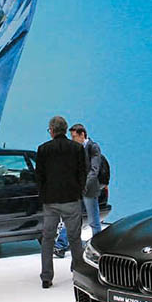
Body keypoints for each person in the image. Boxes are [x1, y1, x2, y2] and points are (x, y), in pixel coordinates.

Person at [35, 115, 86, 288]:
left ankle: (46, 277)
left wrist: (44, 196)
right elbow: (82, 173)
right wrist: (78, 192)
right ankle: (78, 274)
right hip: (71, 199)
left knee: (48, 239)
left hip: (50, 202)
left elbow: (39, 177)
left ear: (52, 130)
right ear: (65, 130)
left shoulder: (43, 149)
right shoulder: (77, 148)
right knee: (75, 238)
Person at [69, 123, 104, 237]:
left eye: (74, 136)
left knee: (93, 220)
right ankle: (62, 243)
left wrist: (84, 185)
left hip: (89, 189)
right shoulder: (76, 149)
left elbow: (94, 170)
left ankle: (97, 242)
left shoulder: (93, 147)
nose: (72, 139)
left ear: (82, 134)